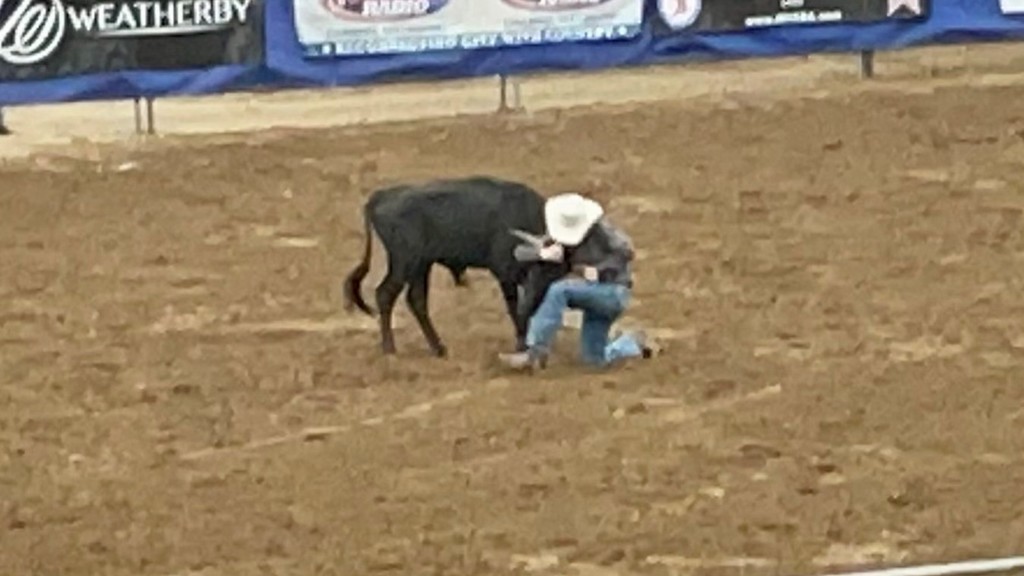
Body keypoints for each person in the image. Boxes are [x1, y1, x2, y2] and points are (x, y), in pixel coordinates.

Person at [498, 192, 651, 371]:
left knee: (560, 290)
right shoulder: (559, 237)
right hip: (599, 298)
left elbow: (627, 251)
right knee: (594, 360)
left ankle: (536, 352)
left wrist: (599, 270)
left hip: (613, 291)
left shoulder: (601, 231)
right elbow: (519, 253)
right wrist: (541, 254)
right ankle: (633, 344)